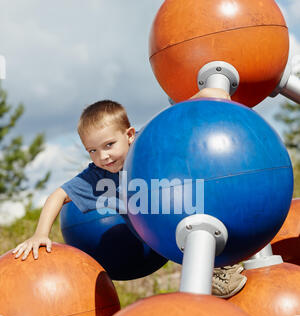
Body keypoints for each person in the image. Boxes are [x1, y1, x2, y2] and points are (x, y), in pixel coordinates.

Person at [12, 89, 246, 298]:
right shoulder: (96, 176)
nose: (102, 156)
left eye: (109, 145)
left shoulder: (145, 143)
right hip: (161, 238)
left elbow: (176, 116)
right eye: (92, 150)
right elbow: (58, 195)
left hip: (191, 212)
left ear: (130, 135)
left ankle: (223, 266)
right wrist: (41, 234)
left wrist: (209, 93)